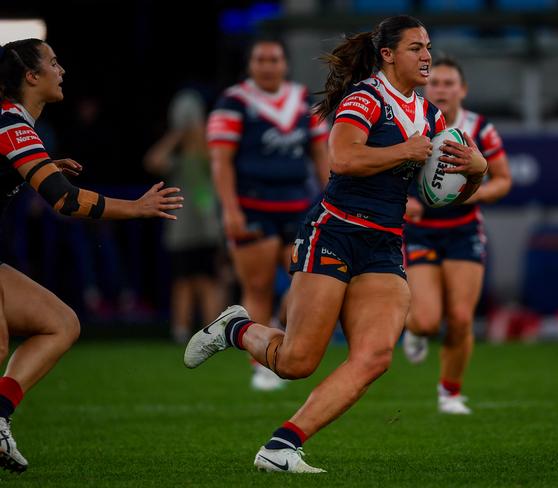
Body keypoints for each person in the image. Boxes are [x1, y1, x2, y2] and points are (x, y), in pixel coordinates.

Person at [184, 15, 487, 473]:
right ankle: (234, 329)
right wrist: (405, 151)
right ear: (387, 54)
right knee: (297, 361)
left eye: (428, 46)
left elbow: (437, 196)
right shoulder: (365, 97)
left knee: (375, 357)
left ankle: (282, 446)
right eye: (415, 48)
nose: (426, 55)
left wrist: (476, 171)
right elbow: (342, 158)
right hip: (335, 232)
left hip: (384, 243)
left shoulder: (431, 116)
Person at [0, 39, 183, 473]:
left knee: (59, 324)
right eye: (54, 62)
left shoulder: (16, 127)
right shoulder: (12, 125)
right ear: (31, 76)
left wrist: (39, 167)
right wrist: (136, 208)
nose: (61, 70)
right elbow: (64, 201)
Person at [205, 38, 330, 391]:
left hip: (300, 206)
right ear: (250, 65)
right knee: (257, 286)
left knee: (305, 285)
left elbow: (321, 155)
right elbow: (221, 161)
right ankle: (261, 363)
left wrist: (333, 199)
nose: (267, 65)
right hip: (253, 205)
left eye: (274, 59)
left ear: (285, 64)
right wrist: (230, 210)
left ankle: (281, 337)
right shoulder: (234, 101)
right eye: (260, 59)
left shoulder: (304, 100)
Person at [401, 55, 512, 415]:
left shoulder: (481, 129)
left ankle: (450, 392)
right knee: (427, 319)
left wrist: (469, 193)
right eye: (435, 83)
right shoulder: (410, 124)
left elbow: (504, 180)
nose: (441, 89)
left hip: (463, 230)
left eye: (449, 83)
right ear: (424, 87)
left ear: (462, 89)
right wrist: (403, 201)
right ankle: (415, 330)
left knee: (462, 317)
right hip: (421, 231)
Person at [145, 88, 226, 344]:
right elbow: (152, 161)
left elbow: (215, 162)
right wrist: (177, 135)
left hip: (207, 227)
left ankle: (210, 334)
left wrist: (198, 134)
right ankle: (180, 331)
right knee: (182, 281)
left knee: (208, 279)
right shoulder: (177, 158)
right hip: (180, 229)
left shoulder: (207, 151)